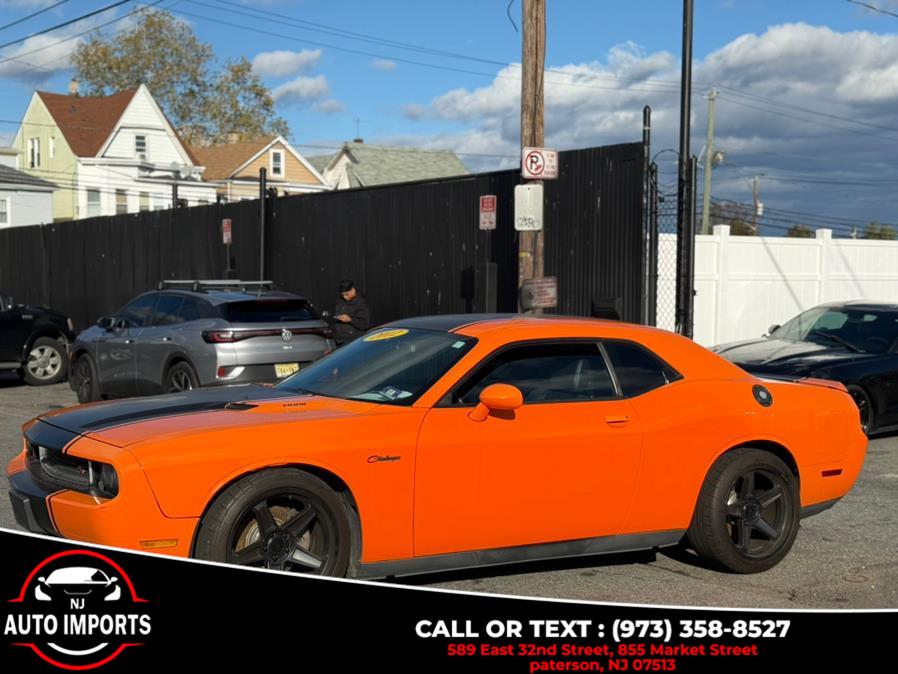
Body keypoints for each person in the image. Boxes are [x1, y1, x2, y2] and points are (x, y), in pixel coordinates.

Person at [333, 279, 370, 346]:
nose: (345, 297)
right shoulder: (340, 301)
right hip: (339, 340)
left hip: (353, 342)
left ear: (353, 290)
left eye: (346, 294)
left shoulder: (361, 303)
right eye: (343, 295)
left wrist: (350, 320)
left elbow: (364, 324)